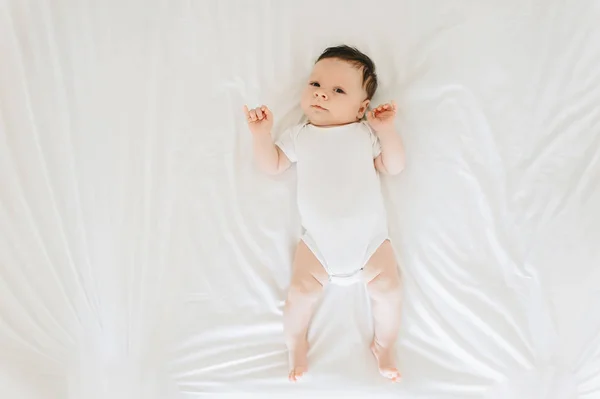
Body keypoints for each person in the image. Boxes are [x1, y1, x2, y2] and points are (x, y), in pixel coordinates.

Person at [243, 45, 405, 383]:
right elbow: (272, 165)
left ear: (362, 108)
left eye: (338, 90)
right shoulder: (300, 135)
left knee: (389, 288)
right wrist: (261, 136)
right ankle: (295, 342)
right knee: (299, 293)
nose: (321, 95)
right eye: (315, 85)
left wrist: (387, 131)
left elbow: (393, 166)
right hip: (318, 246)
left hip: (371, 243)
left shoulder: (364, 134)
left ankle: (385, 344)